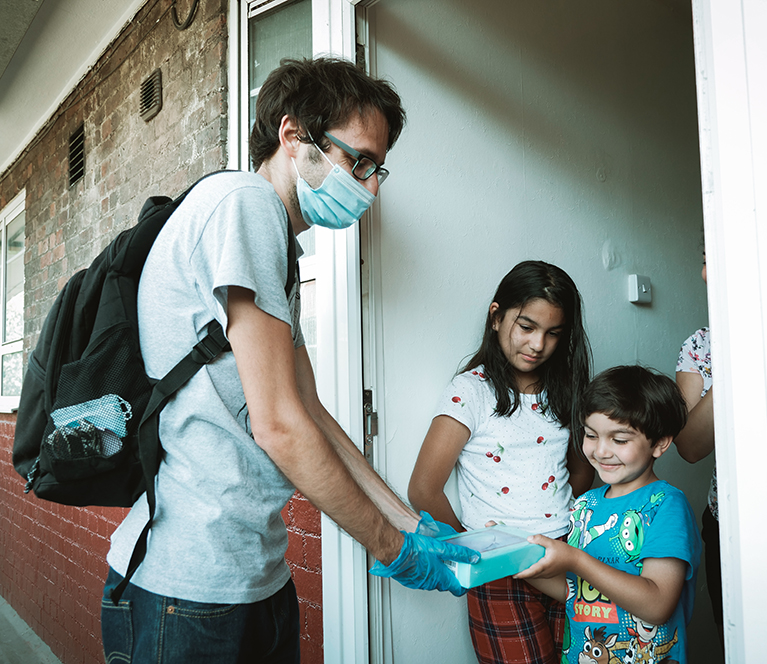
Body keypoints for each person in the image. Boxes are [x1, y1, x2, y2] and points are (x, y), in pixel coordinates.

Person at [100, 57, 476, 663]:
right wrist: (387, 547)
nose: (371, 186)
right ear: (293, 134)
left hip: (252, 576)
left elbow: (311, 412)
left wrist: (407, 522)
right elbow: (278, 425)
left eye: (379, 169)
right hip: (190, 589)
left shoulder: (276, 237)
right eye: (358, 161)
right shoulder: (244, 206)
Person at [408, 260, 595, 664]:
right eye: (526, 327)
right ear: (497, 317)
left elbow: (582, 472)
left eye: (553, 333)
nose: (537, 344)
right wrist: (473, 551)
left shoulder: (566, 391)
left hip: (565, 553)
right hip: (499, 569)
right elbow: (423, 489)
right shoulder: (470, 392)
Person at [516, 365, 701, 664]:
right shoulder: (585, 504)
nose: (601, 451)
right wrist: (515, 558)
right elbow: (575, 593)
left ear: (659, 443)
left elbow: (657, 605)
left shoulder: (665, 505)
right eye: (591, 435)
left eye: (619, 440)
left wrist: (575, 559)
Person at [673, 251, 721, 650]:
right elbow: (689, 446)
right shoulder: (700, 346)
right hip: (727, 523)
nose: (705, 272)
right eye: (703, 257)